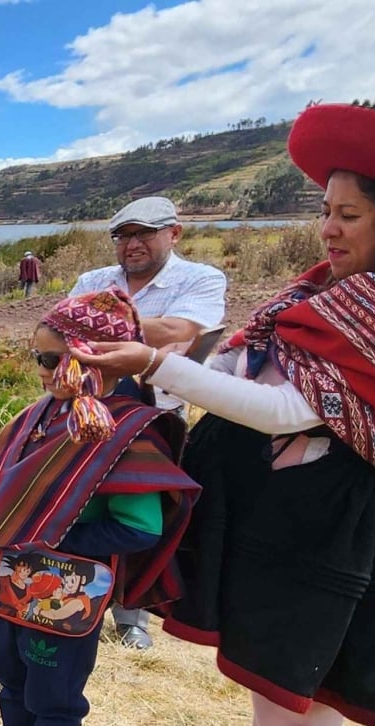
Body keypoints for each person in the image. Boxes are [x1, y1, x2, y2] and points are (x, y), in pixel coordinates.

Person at [69, 101, 375, 726]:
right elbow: (267, 365)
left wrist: (155, 366)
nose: (329, 228)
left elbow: (289, 407)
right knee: (302, 661)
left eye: (350, 214)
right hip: (321, 503)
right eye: (326, 210)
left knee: (296, 668)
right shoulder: (344, 293)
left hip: (347, 513)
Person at [0, 290, 200, 726]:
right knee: (12, 676)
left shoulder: (126, 432)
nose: (40, 370)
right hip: (17, 582)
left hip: (68, 594)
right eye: (36, 357)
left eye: (49, 358)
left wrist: (48, 530)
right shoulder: (42, 418)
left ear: (91, 357)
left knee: (54, 691)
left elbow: (139, 528)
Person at [71, 195, 228, 649]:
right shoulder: (93, 279)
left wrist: (102, 323)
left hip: (158, 416)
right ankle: (84, 599)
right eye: (123, 235)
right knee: (88, 503)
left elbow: (185, 332)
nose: (132, 244)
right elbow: (65, 330)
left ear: (173, 233)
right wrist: (149, 331)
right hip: (92, 410)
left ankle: (132, 613)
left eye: (144, 233)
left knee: (143, 511)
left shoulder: (201, 278)